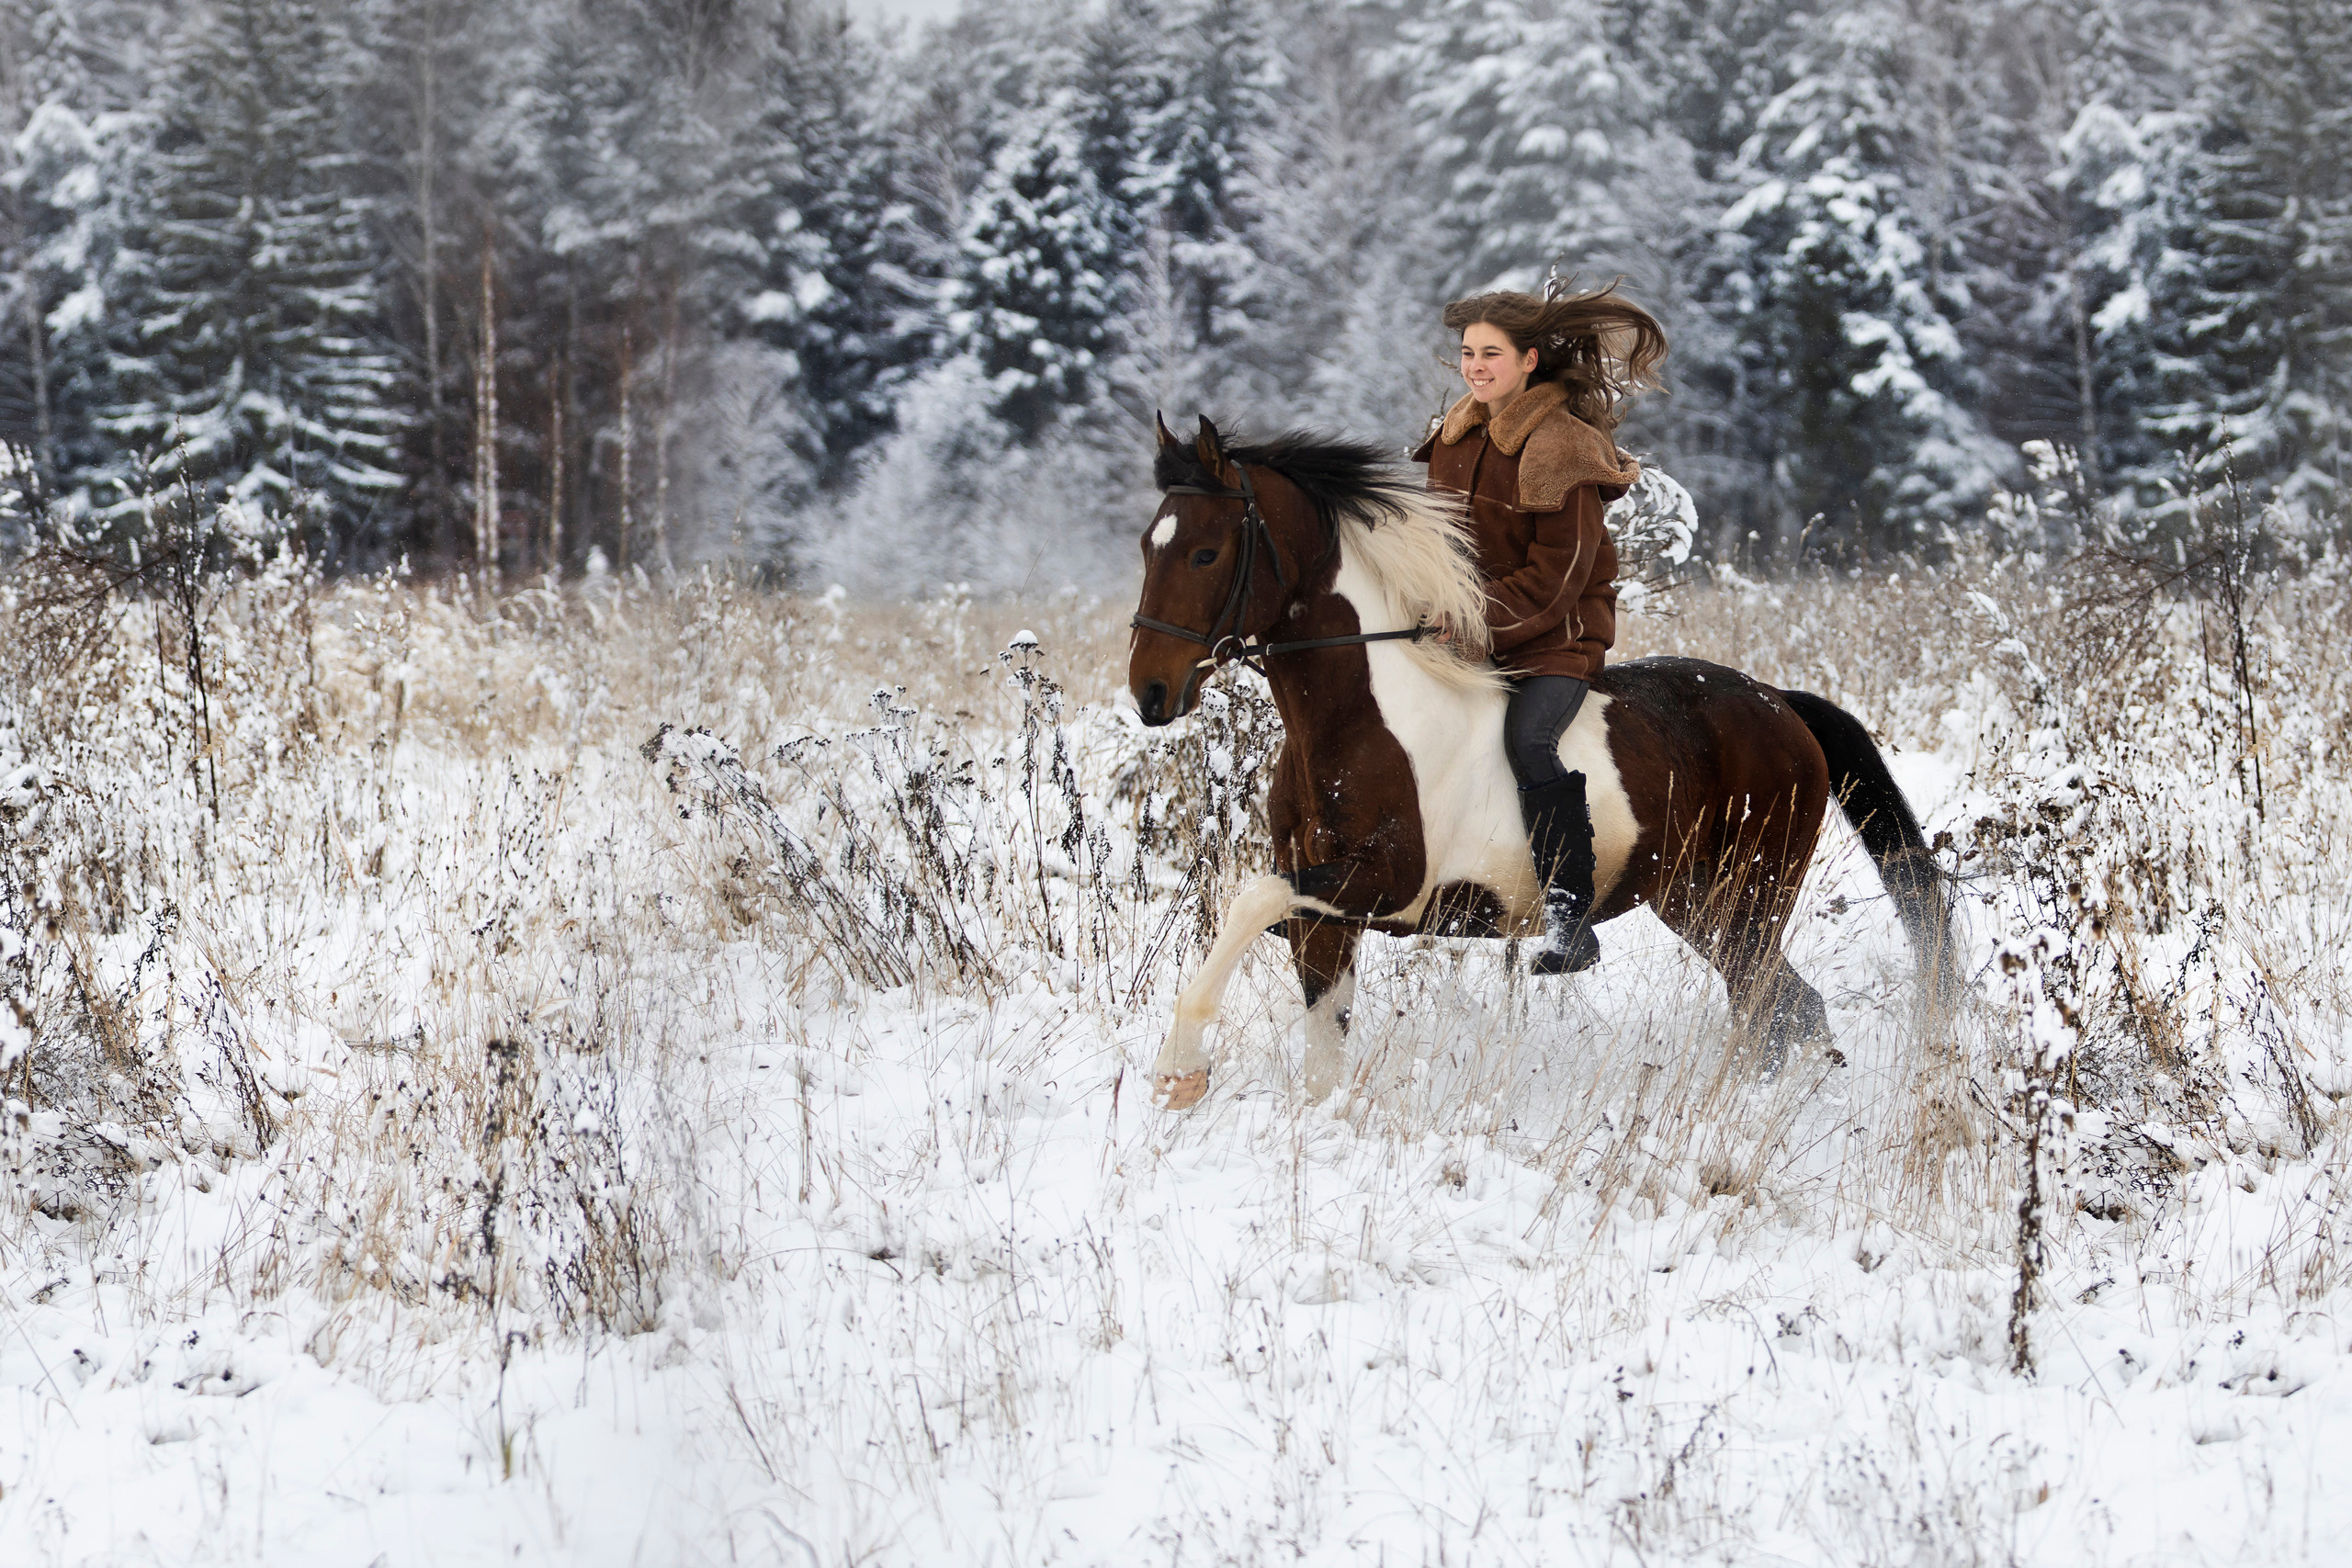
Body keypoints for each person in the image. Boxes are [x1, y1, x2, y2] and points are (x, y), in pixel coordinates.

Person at [1412, 283, 1667, 974]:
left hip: (1557, 642)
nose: (1474, 365)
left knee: (1527, 738)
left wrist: (1466, 620)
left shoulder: (1562, 445)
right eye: (1467, 353)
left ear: (1528, 361)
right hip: (1469, 634)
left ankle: (1569, 914)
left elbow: (1557, 582)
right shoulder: (1455, 438)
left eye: (1490, 353)